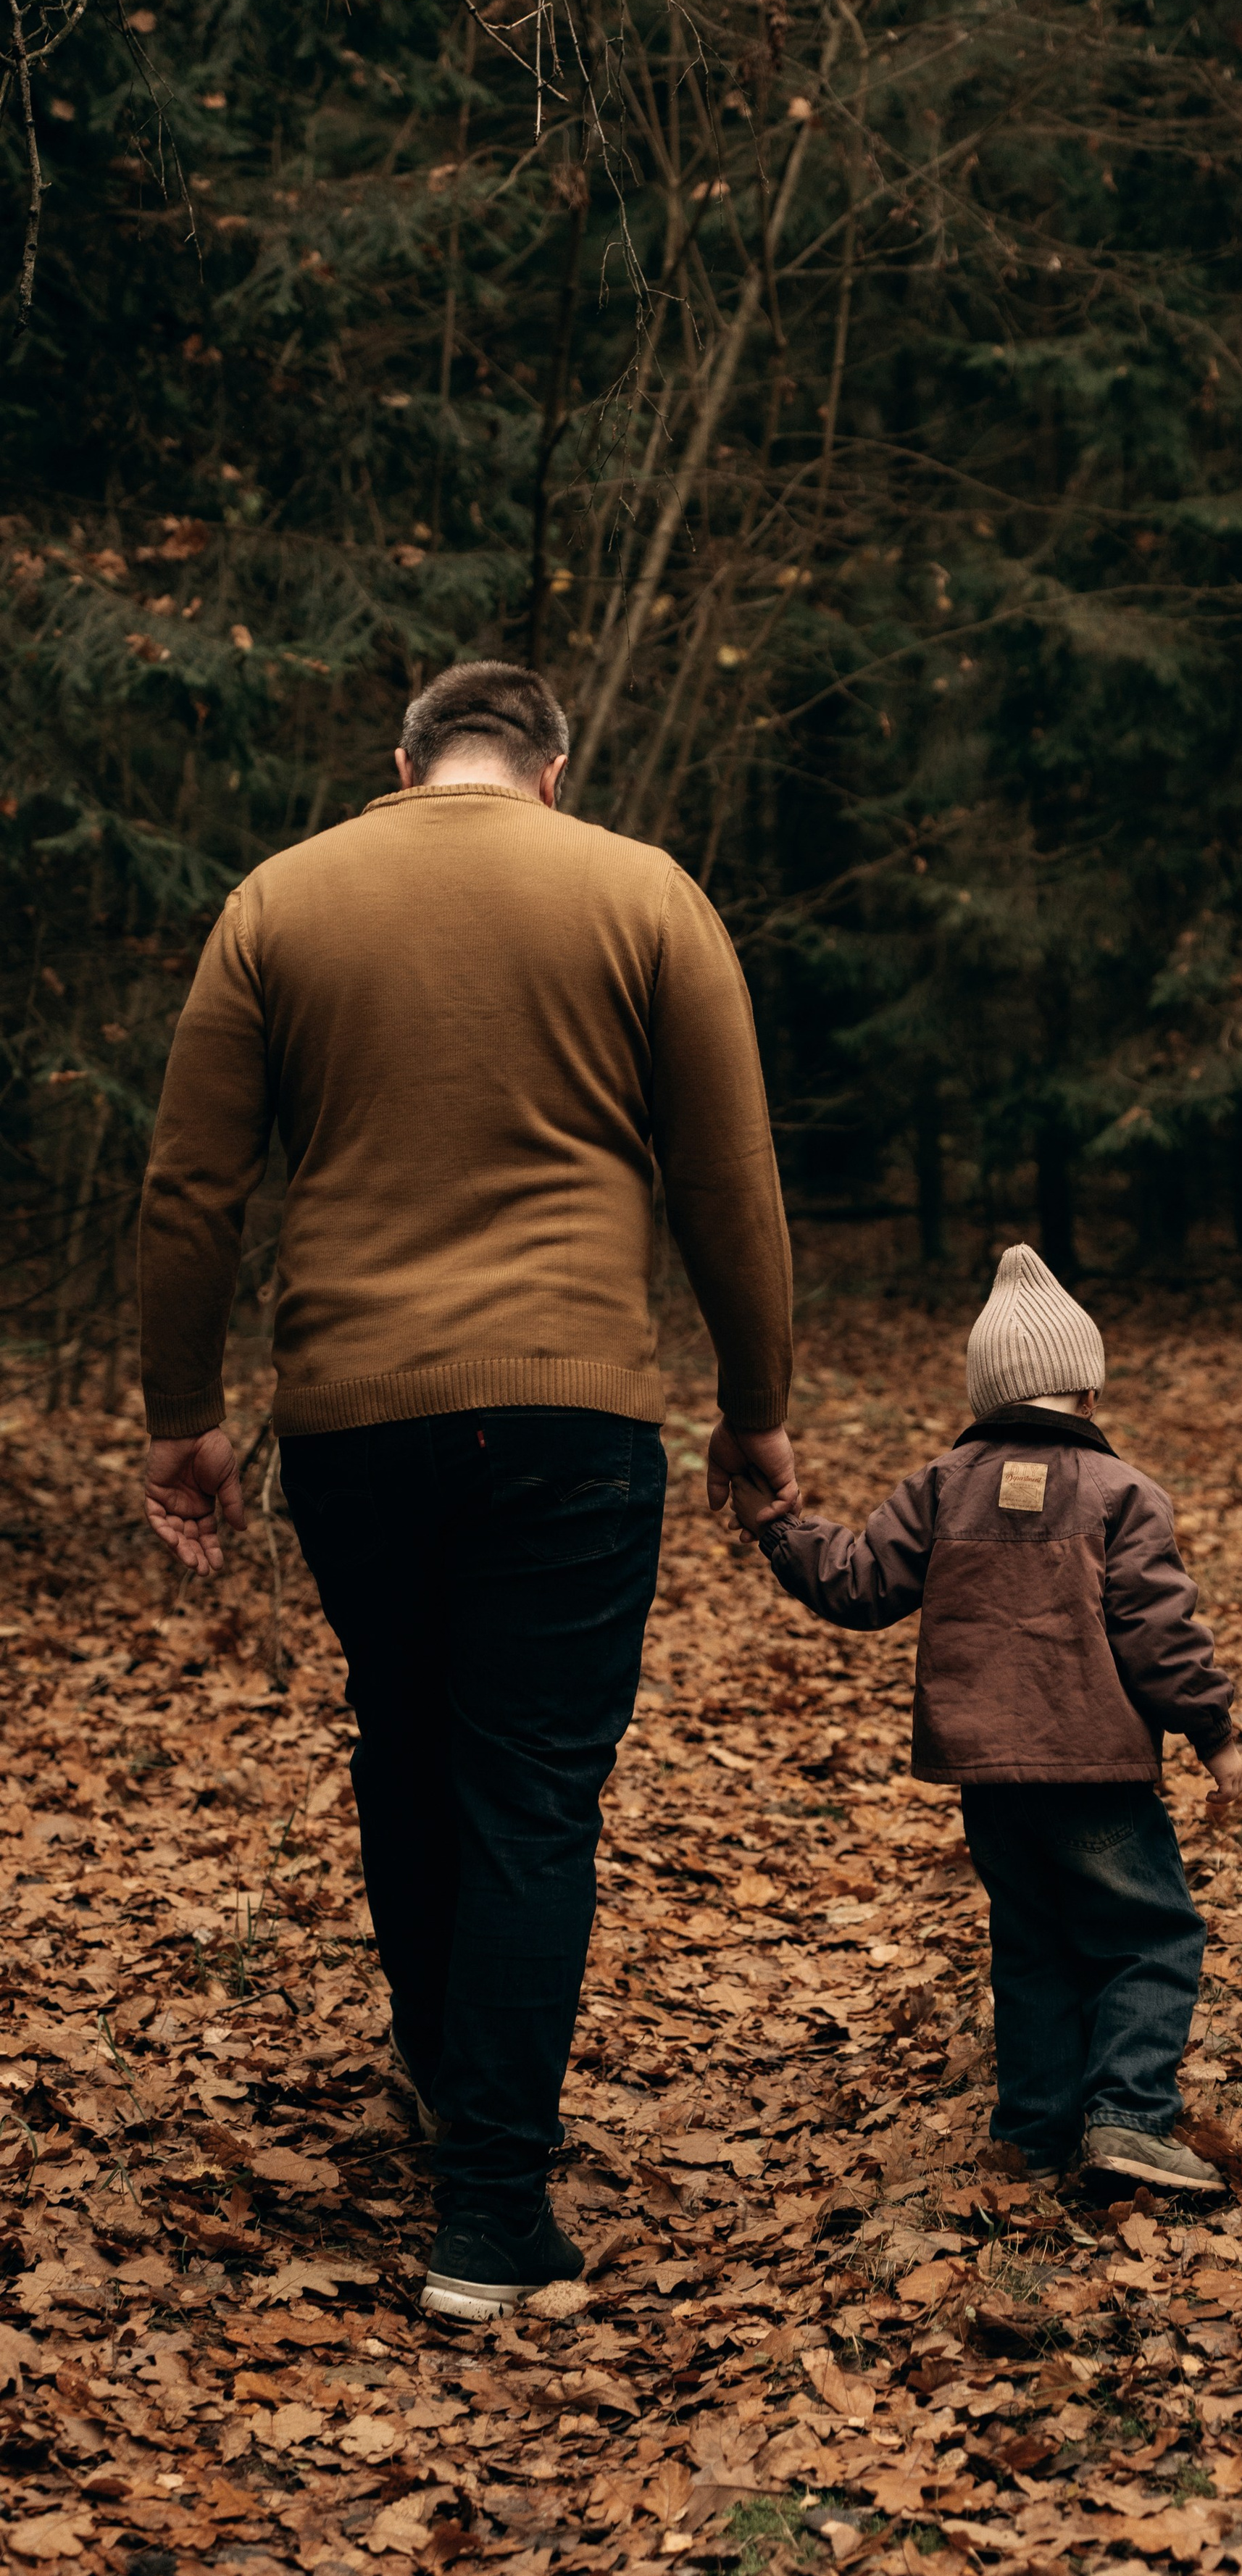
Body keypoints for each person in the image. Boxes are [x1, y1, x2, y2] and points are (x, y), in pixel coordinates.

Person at [137, 659, 797, 2319]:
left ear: (404, 762)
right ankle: (491, 2211)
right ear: (553, 772)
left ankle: (446, 2075)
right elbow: (728, 1178)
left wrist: (183, 1416)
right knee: (528, 1787)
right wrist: (755, 1407)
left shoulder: (279, 901)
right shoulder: (640, 894)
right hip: (572, 1410)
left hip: (351, 1409)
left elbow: (190, 1186)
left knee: (405, 1735)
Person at [728, 1243, 1242, 2193]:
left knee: (1034, 1941)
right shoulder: (1119, 1494)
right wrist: (1214, 1732)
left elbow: (857, 1583)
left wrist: (778, 1527)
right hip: (1098, 1772)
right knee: (1147, 1936)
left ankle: (1033, 2132)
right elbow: (1158, 1633)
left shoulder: (941, 1485)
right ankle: (1128, 2116)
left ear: (988, 1397)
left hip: (991, 1778)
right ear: (1088, 1395)